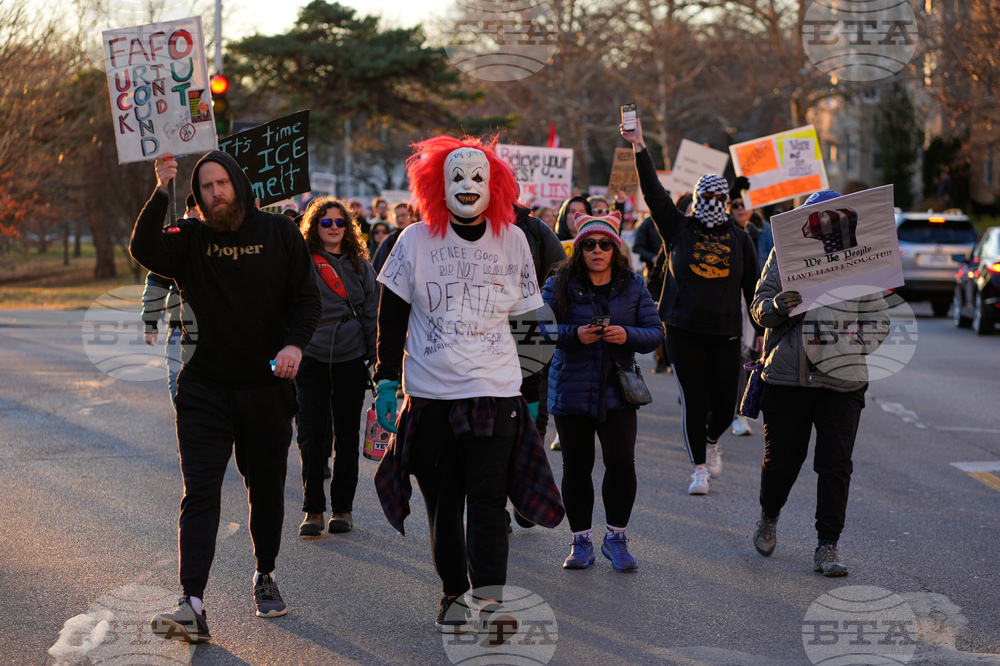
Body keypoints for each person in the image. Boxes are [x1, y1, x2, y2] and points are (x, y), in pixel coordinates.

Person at [370, 135, 564, 633]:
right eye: (456, 176)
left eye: (478, 176)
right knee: (443, 502)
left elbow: (530, 322)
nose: (467, 185)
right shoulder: (411, 241)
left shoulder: (514, 239)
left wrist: (533, 395)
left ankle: (492, 598)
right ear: (436, 184)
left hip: (496, 396)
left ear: (494, 184)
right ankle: (453, 591)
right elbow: (390, 320)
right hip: (432, 396)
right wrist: (387, 382)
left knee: (487, 500)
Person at [131, 151, 320, 643]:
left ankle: (264, 572)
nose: (216, 193)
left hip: (265, 389)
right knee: (200, 491)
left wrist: (294, 344)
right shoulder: (191, 239)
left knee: (266, 487)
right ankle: (191, 602)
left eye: (223, 183)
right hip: (203, 389)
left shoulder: (279, 234)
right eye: (207, 186)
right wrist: (162, 187)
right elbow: (143, 247)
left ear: (239, 184)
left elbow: (306, 297)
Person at [750, 190, 890, 576]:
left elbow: (880, 319)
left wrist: (851, 346)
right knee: (781, 464)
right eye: (816, 218)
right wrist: (778, 305)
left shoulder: (860, 262)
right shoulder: (783, 255)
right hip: (787, 379)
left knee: (834, 466)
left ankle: (827, 545)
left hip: (842, 382)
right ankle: (768, 515)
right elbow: (759, 308)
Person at [622, 117, 760, 496]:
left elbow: (753, 288)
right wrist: (639, 146)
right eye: (707, 199)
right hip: (682, 330)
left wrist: (762, 334)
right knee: (694, 402)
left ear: (727, 203)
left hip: (727, 332)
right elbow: (653, 193)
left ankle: (713, 442)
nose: (712, 206)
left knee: (725, 405)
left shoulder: (739, 239)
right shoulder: (679, 229)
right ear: (697, 200)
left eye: (720, 200)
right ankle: (699, 468)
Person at [544, 212, 663, 571]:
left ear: (616, 248)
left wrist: (627, 334)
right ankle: (580, 541)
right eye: (590, 244)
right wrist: (573, 335)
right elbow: (537, 329)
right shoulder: (558, 282)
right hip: (572, 386)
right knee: (577, 467)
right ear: (579, 249)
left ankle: (616, 538)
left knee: (621, 463)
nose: (598, 250)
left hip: (618, 388)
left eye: (605, 244)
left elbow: (656, 333)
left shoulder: (633, 284)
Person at [295, 197, 378, 537]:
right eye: (325, 222)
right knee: (311, 436)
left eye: (339, 222)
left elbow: (373, 313)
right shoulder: (300, 263)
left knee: (346, 438)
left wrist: (377, 361)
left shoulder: (362, 266)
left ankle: (342, 509)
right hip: (310, 359)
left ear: (349, 227)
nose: (333, 228)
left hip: (350, 359)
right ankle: (313, 510)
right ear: (314, 227)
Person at [141, 193, 200, 406]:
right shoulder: (176, 237)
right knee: (178, 387)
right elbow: (155, 284)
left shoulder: (221, 238)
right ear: (189, 211)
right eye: (197, 212)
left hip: (214, 328)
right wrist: (150, 322)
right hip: (180, 326)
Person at [728, 178, 763, 438]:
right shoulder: (723, 232)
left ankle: (740, 414)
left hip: (755, 302)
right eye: (735, 204)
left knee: (747, 358)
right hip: (727, 302)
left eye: (745, 204)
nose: (740, 208)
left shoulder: (762, 234)